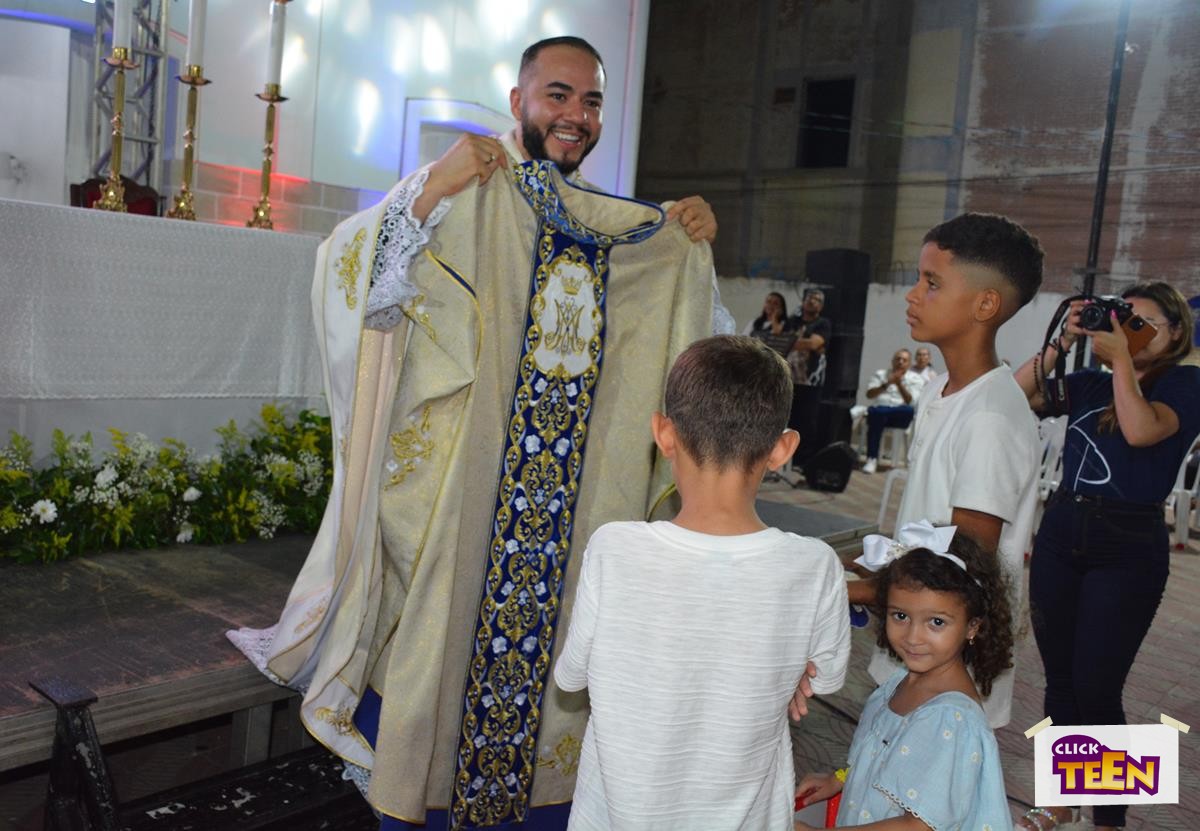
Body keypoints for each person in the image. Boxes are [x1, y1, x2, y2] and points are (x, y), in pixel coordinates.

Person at [227, 36, 730, 829]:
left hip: (573, 529)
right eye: (558, 95)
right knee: (436, 665)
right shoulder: (467, 190)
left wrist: (690, 246)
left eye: (592, 101)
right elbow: (353, 278)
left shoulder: (632, 238)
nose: (575, 114)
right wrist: (434, 186)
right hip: (462, 504)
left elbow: (700, 351)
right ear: (519, 100)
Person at [554, 335, 851, 829]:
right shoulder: (815, 565)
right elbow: (827, 677)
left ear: (664, 434)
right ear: (782, 449)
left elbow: (570, 677)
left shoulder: (614, 548)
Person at [1012, 282, 1200, 831]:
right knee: (1060, 680)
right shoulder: (1089, 382)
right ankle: (1061, 799)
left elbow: (1141, 431)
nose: (1123, 330)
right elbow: (1014, 397)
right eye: (1118, 317)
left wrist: (1121, 360)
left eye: (1138, 322)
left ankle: (1109, 819)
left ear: (1174, 332)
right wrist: (1062, 342)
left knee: (1097, 687)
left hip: (1127, 545)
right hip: (1061, 531)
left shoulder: (1186, 383)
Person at [845, 212, 1043, 730]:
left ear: (985, 304)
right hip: (916, 635)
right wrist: (852, 563)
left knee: (924, 777)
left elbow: (964, 557)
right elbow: (927, 527)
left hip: (949, 664)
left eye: (931, 282)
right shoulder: (940, 389)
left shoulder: (990, 416)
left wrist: (859, 591)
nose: (913, 295)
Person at [795, 522, 1014, 830]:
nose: (913, 637)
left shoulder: (950, 720)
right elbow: (886, 757)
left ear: (972, 627)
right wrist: (841, 778)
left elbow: (917, 826)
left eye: (936, 622)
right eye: (900, 616)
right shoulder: (901, 681)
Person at [786, 288, 832, 466]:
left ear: (821, 306)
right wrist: (798, 343)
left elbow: (814, 344)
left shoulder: (823, 324)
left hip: (811, 380)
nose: (812, 302)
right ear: (803, 301)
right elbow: (780, 339)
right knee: (787, 418)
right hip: (788, 378)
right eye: (810, 298)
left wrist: (793, 342)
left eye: (817, 300)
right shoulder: (792, 321)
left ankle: (801, 461)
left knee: (806, 421)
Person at [860, 348, 925, 474]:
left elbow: (910, 401)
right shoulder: (880, 374)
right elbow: (869, 395)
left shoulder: (916, 379)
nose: (900, 362)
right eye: (898, 359)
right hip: (880, 413)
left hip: (900, 414)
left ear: (909, 363)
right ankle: (872, 459)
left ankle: (874, 458)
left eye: (904, 360)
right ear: (892, 361)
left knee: (905, 410)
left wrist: (899, 384)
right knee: (876, 413)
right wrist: (886, 384)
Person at [743, 291, 797, 357]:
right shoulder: (754, 322)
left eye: (775, 303)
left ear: (781, 308)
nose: (771, 305)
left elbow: (776, 333)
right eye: (768, 302)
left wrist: (774, 317)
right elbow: (744, 338)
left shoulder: (784, 324)